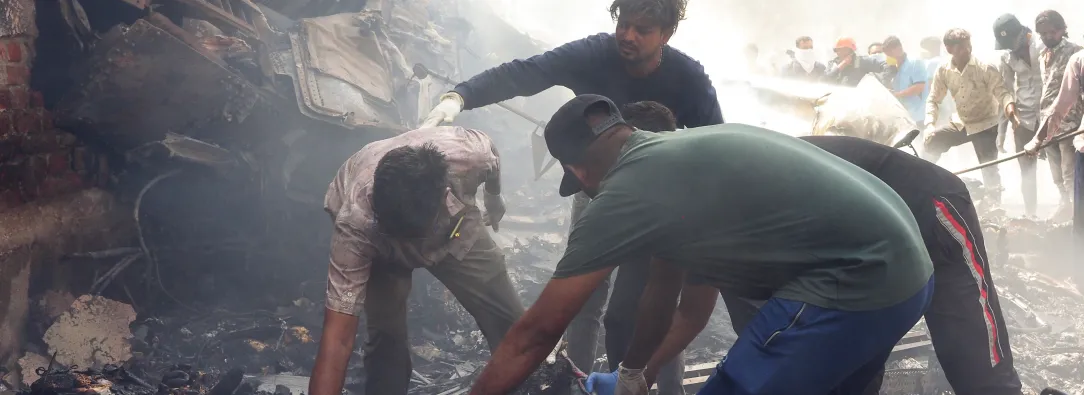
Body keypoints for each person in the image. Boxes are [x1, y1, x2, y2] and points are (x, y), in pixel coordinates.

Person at [468, 94, 935, 395]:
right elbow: (678, 302)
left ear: (578, 171)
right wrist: (634, 374)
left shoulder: (627, 190)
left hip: (853, 282)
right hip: (908, 276)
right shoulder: (677, 163)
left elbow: (537, 332)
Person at [614, 102, 1023, 395]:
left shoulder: (723, 174)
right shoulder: (691, 206)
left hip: (926, 209)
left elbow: (684, 304)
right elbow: (692, 311)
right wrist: (637, 377)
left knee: (977, 370)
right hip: (864, 266)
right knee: (851, 376)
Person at [422, 0, 725, 370]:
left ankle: (636, 383)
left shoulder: (688, 77)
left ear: (667, 33)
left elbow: (714, 142)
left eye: (642, 30)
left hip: (654, 204)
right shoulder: (595, 53)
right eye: (624, 24)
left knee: (635, 311)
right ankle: (576, 379)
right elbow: (527, 73)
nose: (627, 36)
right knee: (582, 298)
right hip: (594, 190)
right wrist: (461, 95)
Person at [308, 127, 523, 395]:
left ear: (444, 194)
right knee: (386, 337)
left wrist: (494, 196)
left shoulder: (468, 156)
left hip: (454, 229)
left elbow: (491, 153)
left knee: (510, 322)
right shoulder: (355, 226)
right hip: (379, 245)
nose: (415, 250)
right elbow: (337, 340)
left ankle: (525, 387)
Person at [593, 101, 687, 395]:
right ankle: (624, 383)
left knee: (662, 318)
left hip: (678, 242)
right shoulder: (637, 180)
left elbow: (689, 304)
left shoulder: (686, 183)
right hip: (648, 242)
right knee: (621, 319)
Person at [924, 28, 1018, 207]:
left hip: (985, 124)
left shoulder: (984, 67)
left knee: (988, 166)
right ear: (949, 49)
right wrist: (929, 125)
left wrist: (1009, 107)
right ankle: (922, 180)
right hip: (961, 123)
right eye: (961, 48)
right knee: (933, 141)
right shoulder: (944, 70)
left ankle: (994, 206)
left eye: (968, 46)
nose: (967, 50)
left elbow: (1002, 92)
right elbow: (933, 100)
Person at [1024, 10, 1083, 221]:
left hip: (1071, 122)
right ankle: (1064, 206)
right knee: (1056, 172)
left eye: (1051, 32)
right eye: (1042, 34)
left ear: (1061, 30)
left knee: (1070, 172)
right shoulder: (1043, 56)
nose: (1047, 37)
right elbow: (1047, 90)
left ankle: (1076, 215)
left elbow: (1070, 94)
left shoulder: (1076, 53)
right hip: (1049, 122)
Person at [995, 13, 1044, 218]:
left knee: (1064, 167)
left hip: (1052, 115)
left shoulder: (1043, 46)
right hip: (1023, 119)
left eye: (1011, 41)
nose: (1009, 47)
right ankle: (1031, 214)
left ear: (1022, 33)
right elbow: (1005, 92)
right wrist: (1002, 130)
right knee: (1026, 169)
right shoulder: (1006, 57)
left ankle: (1069, 209)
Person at [882, 36, 928, 127]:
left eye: (890, 53)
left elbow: (919, 87)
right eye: (887, 54)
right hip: (904, 117)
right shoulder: (892, 67)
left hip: (919, 116)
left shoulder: (914, 62)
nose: (888, 56)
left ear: (899, 49)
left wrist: (896, 95)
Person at [825, 37, 890, 87]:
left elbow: (885, 65)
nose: (839, 53)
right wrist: (840, 66)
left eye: (844, 50)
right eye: (837, 50)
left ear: (851, 51)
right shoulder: (832, 64)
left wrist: (885, 82)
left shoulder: (861, 61)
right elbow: (824, 80)